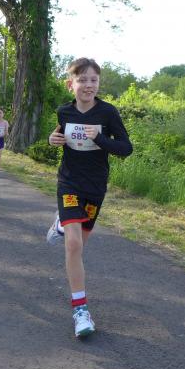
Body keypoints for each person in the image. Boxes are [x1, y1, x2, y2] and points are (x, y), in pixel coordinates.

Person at [46, 57, 133, 338]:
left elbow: (126, 149)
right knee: (73, 245)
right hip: (69, 182)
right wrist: (52, 140)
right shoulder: (64, 111)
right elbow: (58, 136)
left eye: (93, 80)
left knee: (79, 246)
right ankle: (80, 311)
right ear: (70, 84)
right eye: (82, 80)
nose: (88, 85)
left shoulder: (107, 113)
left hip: (95, 186)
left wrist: (100, 138)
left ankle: (61, 223)